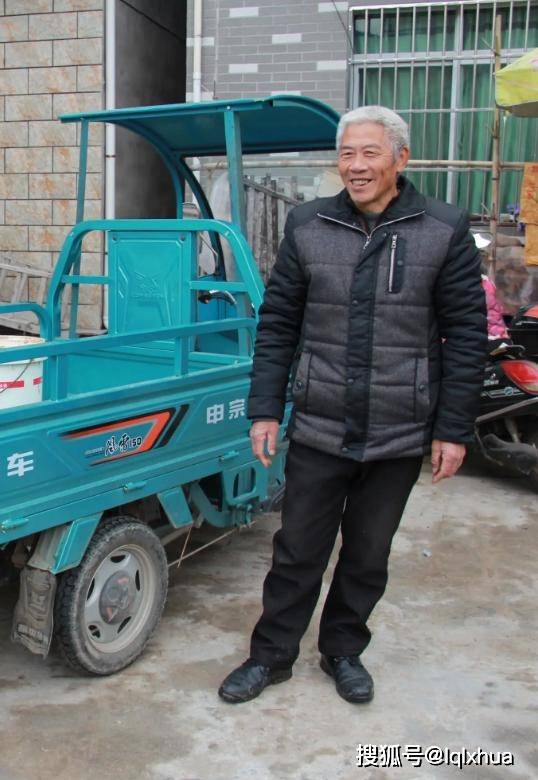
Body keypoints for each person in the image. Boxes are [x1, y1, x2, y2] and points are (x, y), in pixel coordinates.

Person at [218, 106, 486, 705]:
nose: (356, 167)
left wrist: (453, 429)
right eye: (347, 154)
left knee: (367, 554)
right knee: (296, 550)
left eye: (369, 153)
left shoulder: (442, 229)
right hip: (320, 422)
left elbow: (467, 334)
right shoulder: (309, 224)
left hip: (400, 428)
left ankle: (342, 650)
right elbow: (279, 321)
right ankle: (271, 656)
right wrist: (265, 408)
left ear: (400, 159)